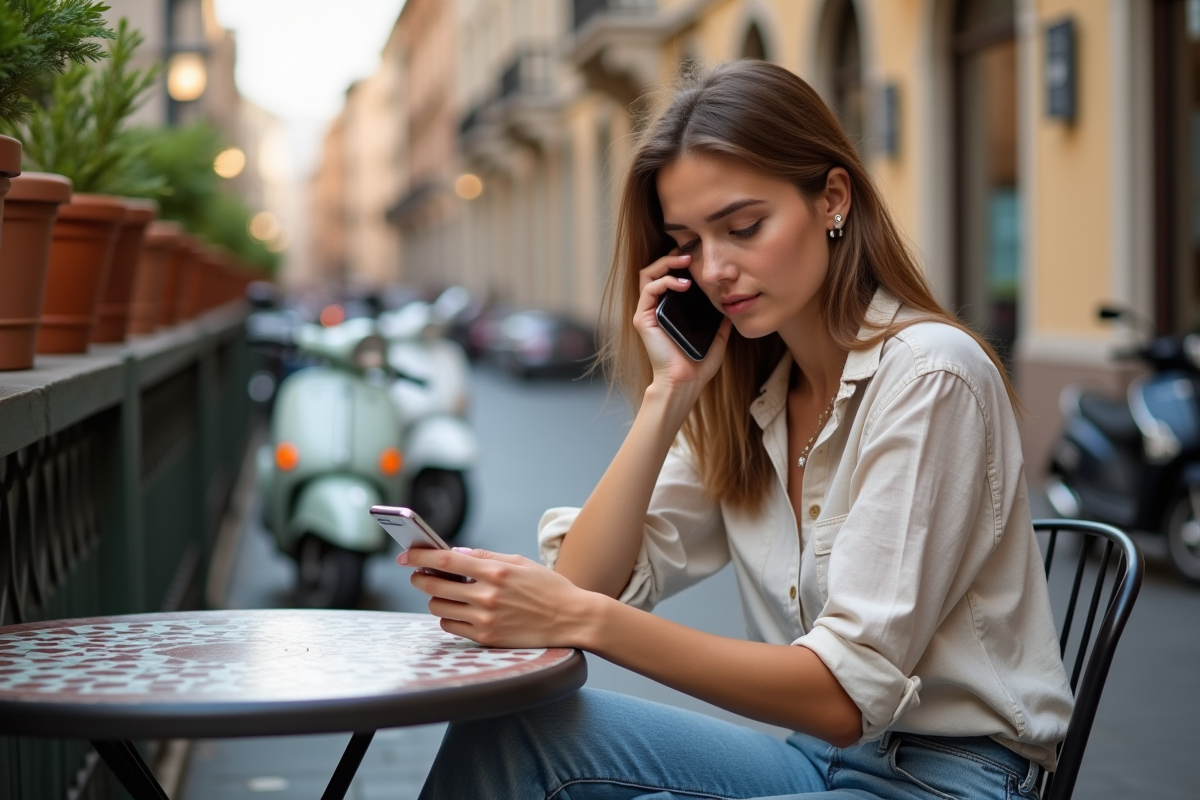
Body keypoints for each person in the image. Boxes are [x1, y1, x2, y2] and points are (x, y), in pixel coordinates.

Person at [400, 60, 1074, 800]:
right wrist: (667, 395)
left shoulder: (930, 375)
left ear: (833, 199)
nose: (715, 269)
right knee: (514, 731)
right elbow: (583, 585)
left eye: (744, 227)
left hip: (944, 779)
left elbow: (840, 698)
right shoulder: (754, 397)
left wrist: (587, 620)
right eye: (687, 242)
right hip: (817, 758)